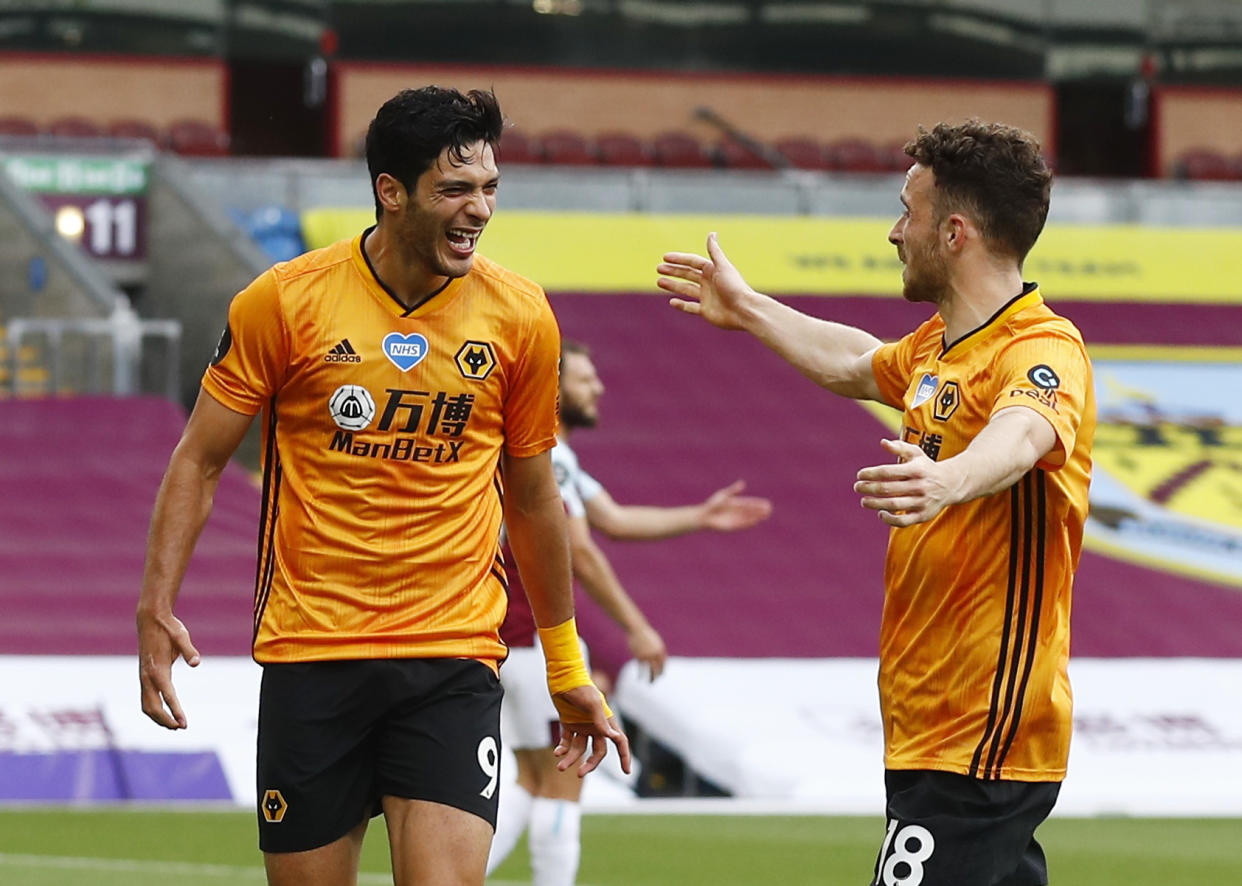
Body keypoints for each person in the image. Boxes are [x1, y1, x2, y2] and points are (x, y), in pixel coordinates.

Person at [136, 86, 627, 886]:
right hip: (312, 653)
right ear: (390, 191)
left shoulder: (520, 316)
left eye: (490, 188)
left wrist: (566, 663)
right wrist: (156, 605)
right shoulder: (283, 302)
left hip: (452, 656)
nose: (480, 210)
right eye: (456, 190)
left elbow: (535, 500)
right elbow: (198, 458)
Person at [657, 120, 1095, 886]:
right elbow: (854, 363)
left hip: (984, 724)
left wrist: (948, 478)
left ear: (954, 232)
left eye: (907, 211)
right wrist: (750, 307)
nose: (896, 231)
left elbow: (1022, 434)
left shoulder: (1040, 349)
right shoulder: (938, 348)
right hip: (931, 722)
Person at [486, 339, 772, 886]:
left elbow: (611, 520)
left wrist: (700, 516)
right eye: (585, 379)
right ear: (555, 389)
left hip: (509, 639)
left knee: (530, 779)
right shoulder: (546, 454)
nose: (598, 388)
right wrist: (637, 628)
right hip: (538, 641)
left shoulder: (549, 455)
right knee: (565, 783)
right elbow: (582, 552)